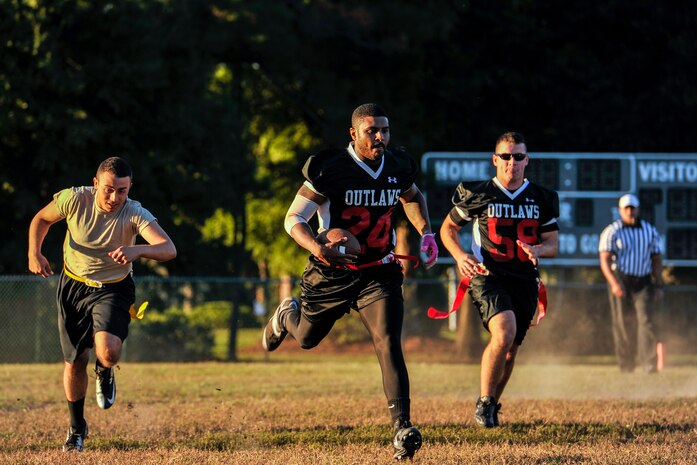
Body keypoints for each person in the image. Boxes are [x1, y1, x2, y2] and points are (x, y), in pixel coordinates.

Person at [261, 103, 438, 460]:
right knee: (308, 338)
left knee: (388, 341)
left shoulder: (398, 166)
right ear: (353, 133)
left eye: (385, 130)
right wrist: (317, 246)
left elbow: (413, 196)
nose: (380, 137)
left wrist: (427, 232)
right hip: (333, 270)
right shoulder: (331, 168)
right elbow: (293, 217)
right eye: (372, 131)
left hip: (379, 269)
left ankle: (402, 428)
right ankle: (286, 316)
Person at [28, 157, 177, 452]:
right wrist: (35, 252)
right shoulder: (74, 199)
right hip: (73, 286)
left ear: (129, 188)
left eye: (122, 191)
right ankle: (76, 428)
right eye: (108, 189)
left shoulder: (134, 212)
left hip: (114, 289)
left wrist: (137, 250)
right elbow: (41, 219)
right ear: (96, 183)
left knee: (107, 353)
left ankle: (105, 369)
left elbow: (168, 249)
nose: (114, 197)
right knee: (75, 361)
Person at [439, 132, 559, 428]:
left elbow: (553, 244)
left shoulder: (541, 197)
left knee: (511, 348)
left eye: (518, 156)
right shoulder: (479, 193)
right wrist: (459, 256)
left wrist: (537, 250)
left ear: (526, 160)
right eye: (506, 156)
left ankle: (491, 404)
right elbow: (447, 229)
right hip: (488, 275)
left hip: (524, 279)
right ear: (495, 160)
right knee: (504, 332)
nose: (512, 163)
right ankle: (483, 402)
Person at [598, 193, 663, 373]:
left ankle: (649, 364)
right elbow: (604, 260)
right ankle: (626, 365)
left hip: (643, 280)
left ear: (638, 209)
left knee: (646, 321)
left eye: (632, 208)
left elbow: (656, 259)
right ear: (620, 210)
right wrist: (613, 283)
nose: (630, 212)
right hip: (621, 279)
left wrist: (658, 284)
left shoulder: (649, 231)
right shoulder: (612, 231)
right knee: (622, 323)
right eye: (626, 209)